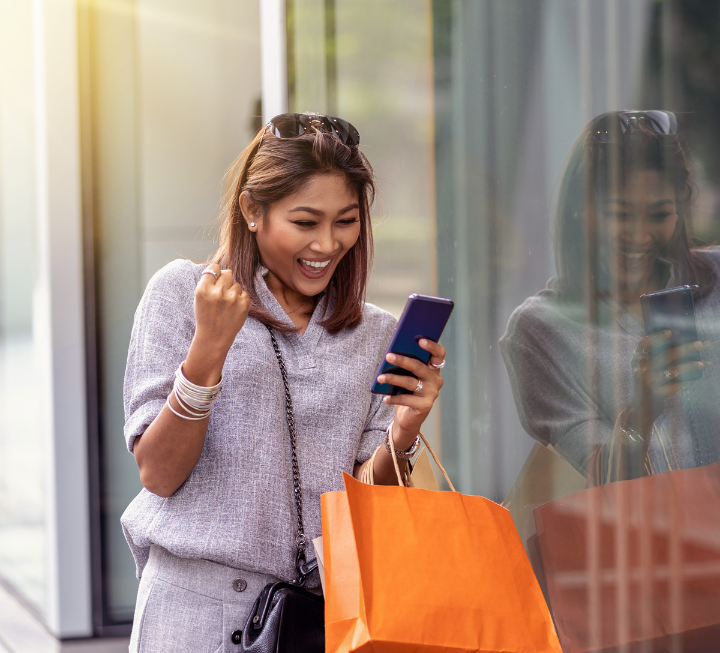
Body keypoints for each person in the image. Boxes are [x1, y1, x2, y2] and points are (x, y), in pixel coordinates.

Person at [121, 113, 446, 652]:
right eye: (305, 221)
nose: (327, 244)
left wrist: (405, 429)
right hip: (195, 614)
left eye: (345, 221)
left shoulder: (376, 335)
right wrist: (208, 352)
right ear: (253, 210)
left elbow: (368, 509)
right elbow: (157, 473)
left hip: (322, 617)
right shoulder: (181, 294)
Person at [500, 110, 720, 484]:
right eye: (619, 214)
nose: (639, 234)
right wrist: (642, 412)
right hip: (651, 538)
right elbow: (602, 478)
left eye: (659, 214)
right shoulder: (541, 330)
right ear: (578, 210)